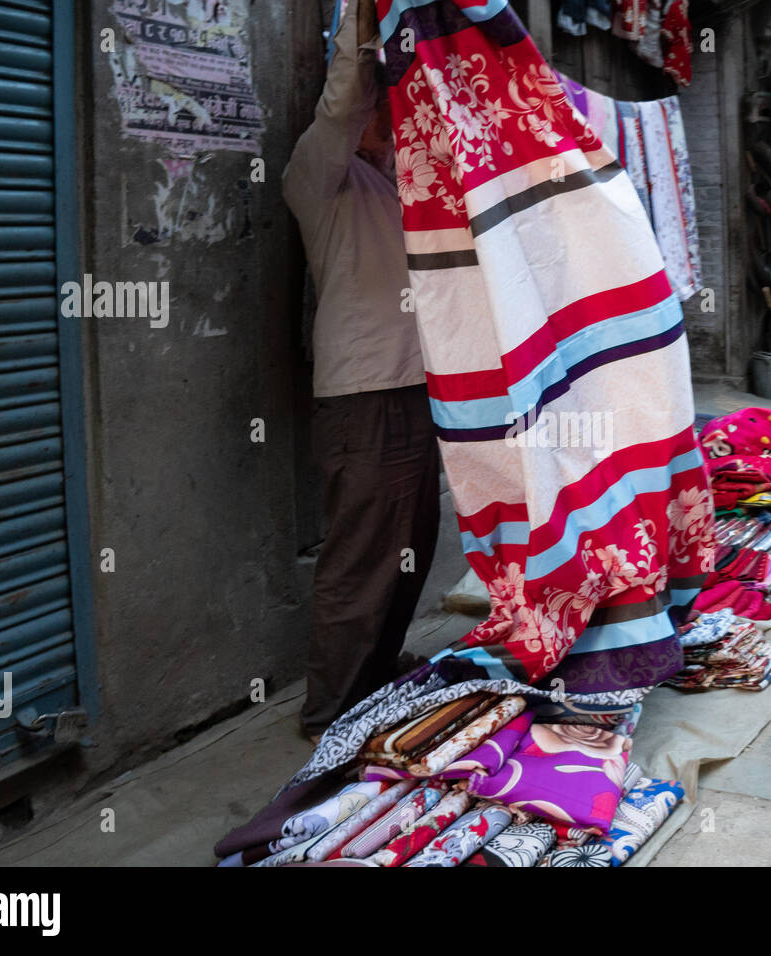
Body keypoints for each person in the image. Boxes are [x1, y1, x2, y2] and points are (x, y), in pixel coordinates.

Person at [282, 0, 439, 743]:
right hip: (363, 396)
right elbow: (345, 98)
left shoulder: (393, 191)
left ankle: (375, 678)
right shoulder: (319, 173)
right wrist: (364, 24)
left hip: (414, 392)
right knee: (360, 559)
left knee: (412, 548)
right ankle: (328, 714)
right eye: (384, 105)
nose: (389, 116)